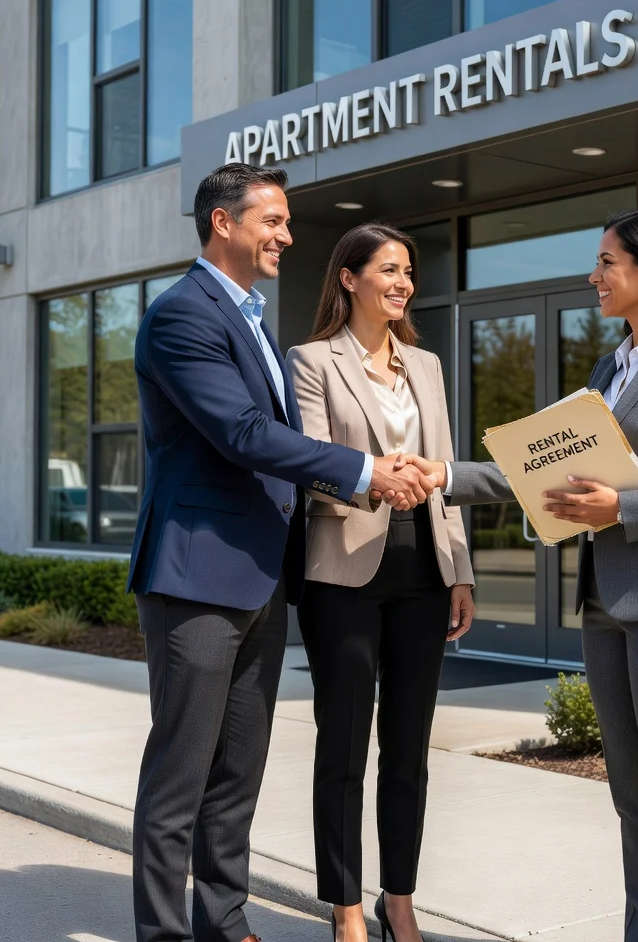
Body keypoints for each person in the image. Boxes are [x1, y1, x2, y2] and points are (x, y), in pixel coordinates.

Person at [398, 209, 638, 942]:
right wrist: (445, 475)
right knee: (634, 804)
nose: (594, 276)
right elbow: (542, 471)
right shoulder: (609, 368)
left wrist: (620, 507)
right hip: (606, 602)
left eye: (607, 262)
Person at [127, 164, 435, 942]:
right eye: (272, 220)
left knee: (237, 771)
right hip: (197, 572)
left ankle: (224, 924)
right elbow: (244, 434)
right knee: (181, 773)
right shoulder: (181, 316)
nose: (287, 236)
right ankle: (165, 933)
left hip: (261, 573)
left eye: (288, 222)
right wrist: (367, 470)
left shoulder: (256, 318)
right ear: (223, 224)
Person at [286, 223, 475, 942]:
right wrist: (379, 484)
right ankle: (344, 907)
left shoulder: (425, 365)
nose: (401, 283)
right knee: (342, 745)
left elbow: (445, 473)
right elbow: (307, 460)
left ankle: (400, 898)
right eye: (388, 270)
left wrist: (459, 571)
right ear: (348, 277)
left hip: (423, 566)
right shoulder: (311, 361)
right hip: (344, 570)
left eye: (407, 273)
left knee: (408, 745)